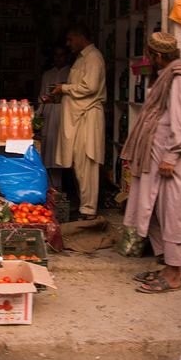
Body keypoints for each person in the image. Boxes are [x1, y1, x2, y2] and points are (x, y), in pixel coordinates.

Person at [121, 32, 181, 294]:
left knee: (174, 212)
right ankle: (167, 264)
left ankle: (175, 273)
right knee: (156, 210)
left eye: (150, 56)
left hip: (171, 160)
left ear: (159, 56)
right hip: (158, 156)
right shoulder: (169, 75)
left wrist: (171, 156)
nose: (148, 60)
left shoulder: (180, 78)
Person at [51, 24, 106, 221]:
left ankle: (88, 209)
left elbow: (89, 87)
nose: (68, 44)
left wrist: (64, 88)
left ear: (79, 36)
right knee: (78, 163)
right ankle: (84, 205)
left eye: (70, 39)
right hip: (78, 117)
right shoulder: (82, 58)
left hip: (87, 118)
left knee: (87, 163)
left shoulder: (93, 58)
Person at [37, 46, 71, 189]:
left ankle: (60, 188)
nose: (58, 58)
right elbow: (41, 97)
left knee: (62, 150)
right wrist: (36, 116)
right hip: (49, 114)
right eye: (56, 55)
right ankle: (50, 188)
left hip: (65, 114)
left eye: (61, 55)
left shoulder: (71, 73)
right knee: (47, 149)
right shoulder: (47, 74)